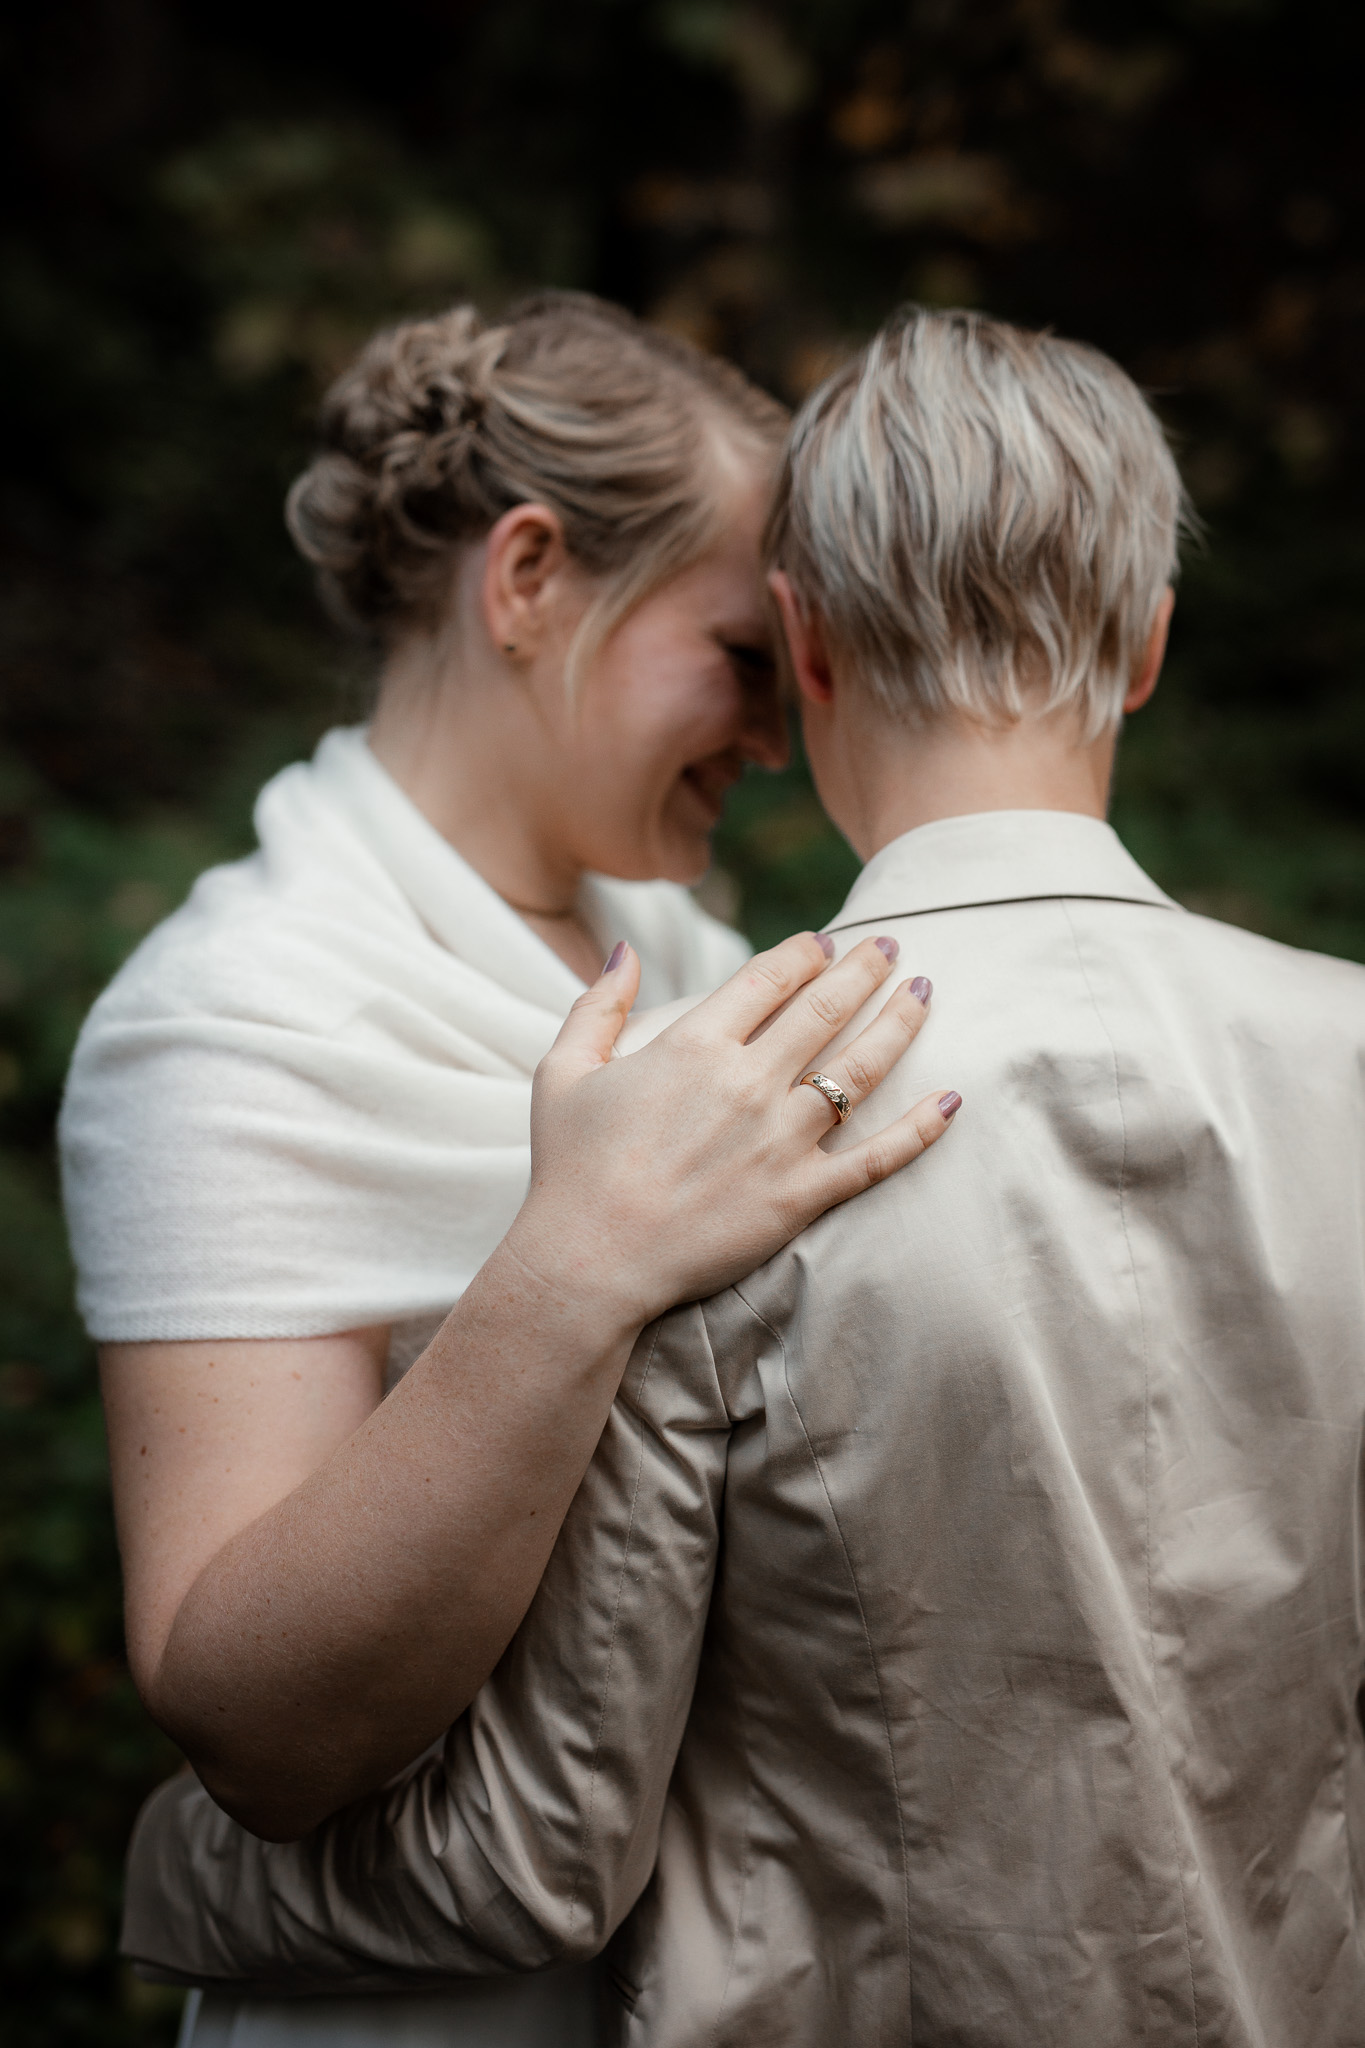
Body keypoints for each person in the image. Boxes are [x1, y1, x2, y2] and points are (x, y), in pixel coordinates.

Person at [125, 302, 1365, 2048]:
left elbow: (534, 1853)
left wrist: (170, 1885)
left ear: (812, 640)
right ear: (1149, 646)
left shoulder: (728, 1112)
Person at [61, 293, 959, 2048]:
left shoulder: (688, 964)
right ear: (532, 579)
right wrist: (577, 1261)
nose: (777, 737)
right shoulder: (235, 1017)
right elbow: (247, 1722)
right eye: (740, 658)